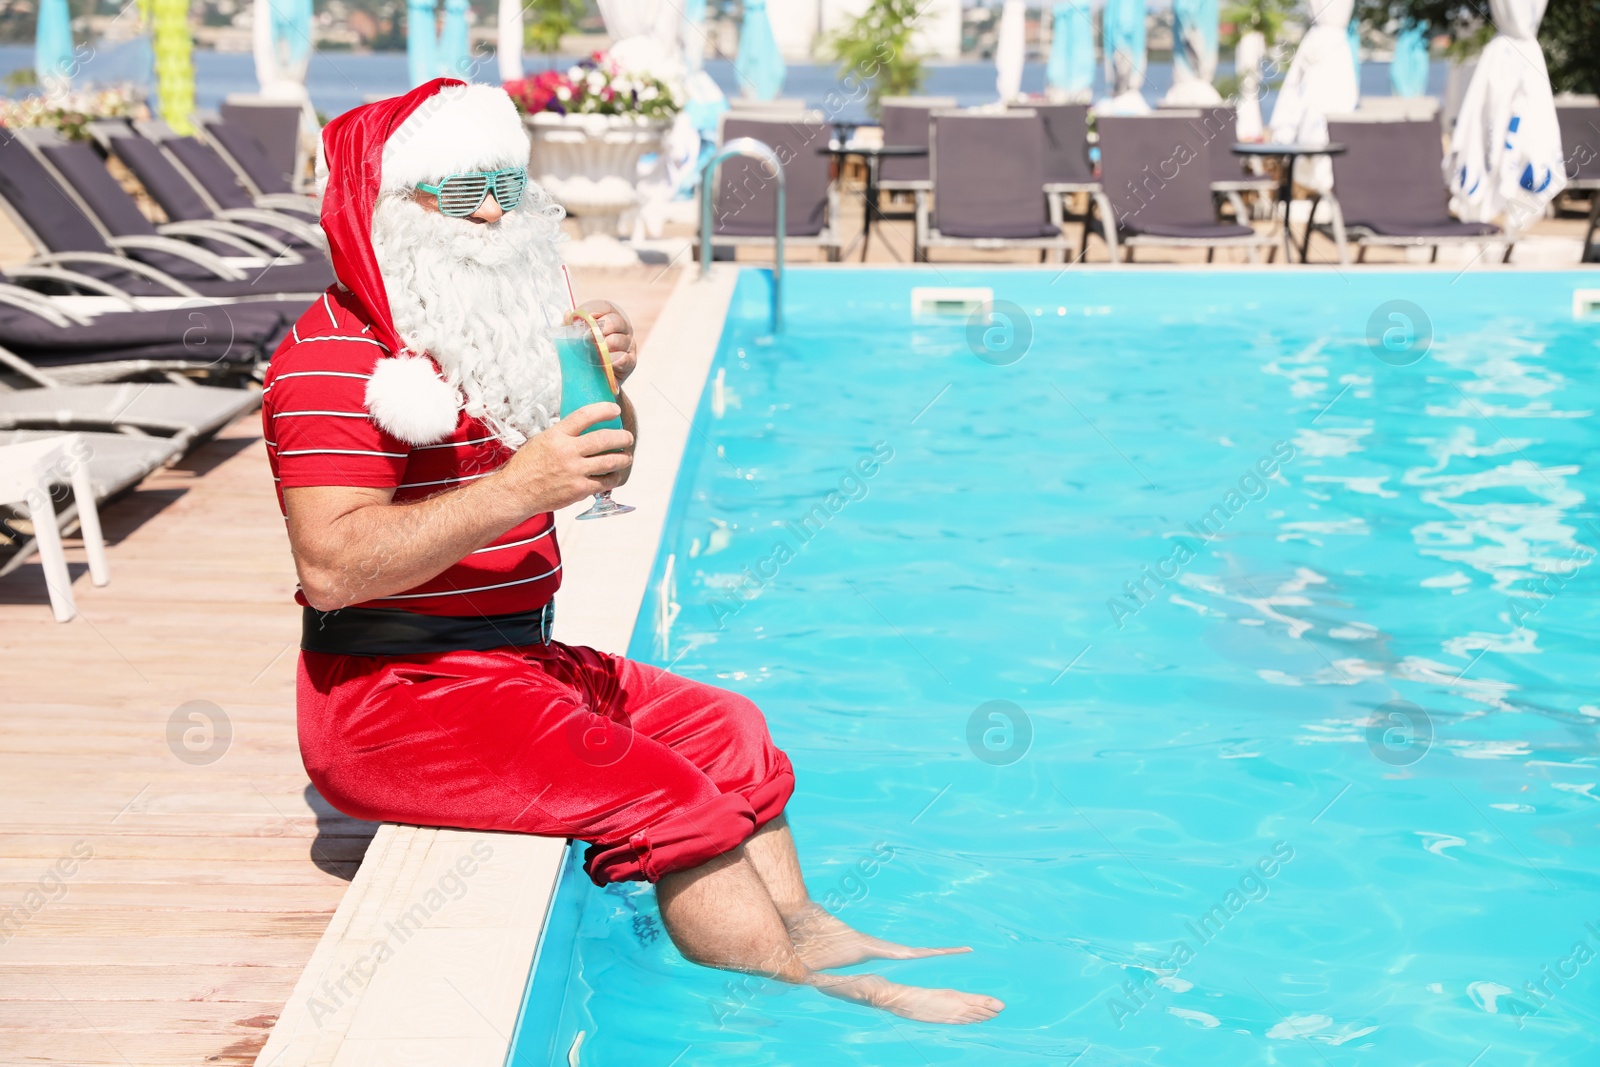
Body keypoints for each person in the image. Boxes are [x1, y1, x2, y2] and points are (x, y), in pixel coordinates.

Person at [263, 78, 1004, 1025]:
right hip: (395, 698)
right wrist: (518, 486)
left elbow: (610, 474)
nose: (492, 207)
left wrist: (609, 394)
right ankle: (810, 995)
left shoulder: (489, 326)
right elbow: (331, 564)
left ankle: (807, 928)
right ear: (385, 211)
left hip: (511, 661)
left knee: (729, 729)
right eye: (456, 191)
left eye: (503, 179)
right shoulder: (334, 361)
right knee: (668, 795)